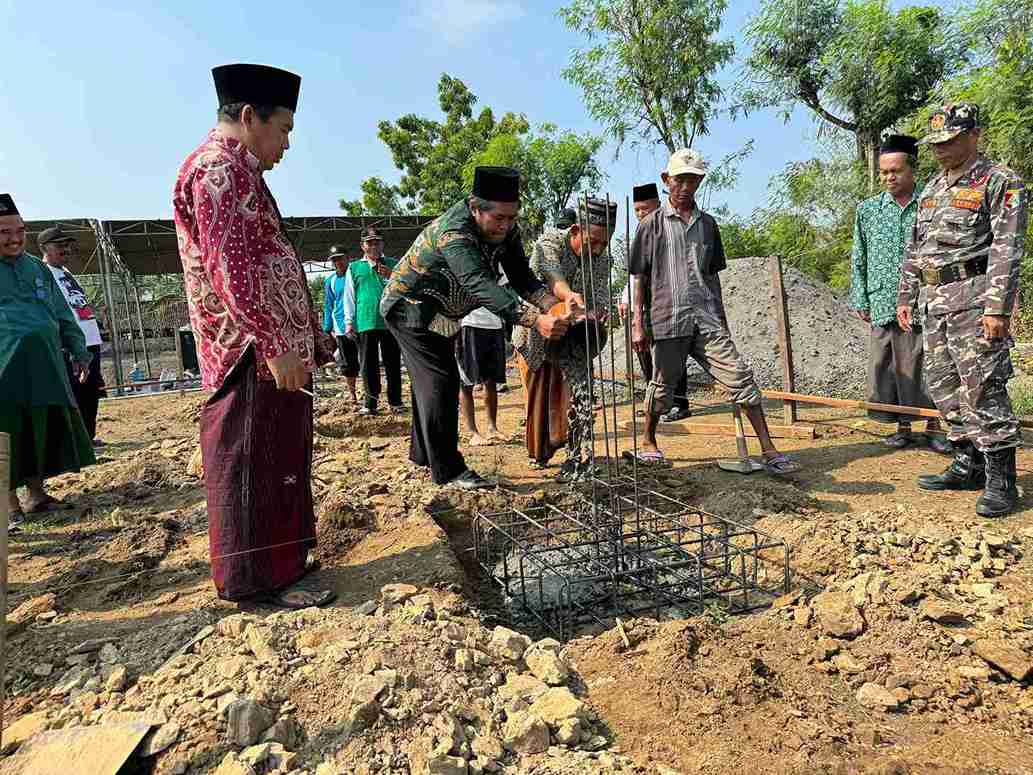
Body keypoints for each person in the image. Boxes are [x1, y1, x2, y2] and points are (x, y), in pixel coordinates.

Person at [173, 63, 336, 608]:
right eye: (284, 129)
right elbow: (230, 271)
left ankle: (283, 567)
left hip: (271, 350)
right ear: (249, 117)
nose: (287, 144)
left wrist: (308, 335)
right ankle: (255, 583)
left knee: (278, 459)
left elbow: (273, 261)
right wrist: (274, 343)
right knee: (251, 462)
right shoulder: (217, 172)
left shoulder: (243, 175)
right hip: (249, 352)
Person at [380, 165, 572, 490]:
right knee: (440, 380)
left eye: (512, 217)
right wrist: (535, 320)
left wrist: (553, 304)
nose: (506, 226)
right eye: (499, 218)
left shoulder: (506, 230)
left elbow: (521, 277)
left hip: (444, 314)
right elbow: (479, 284)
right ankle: (449, 471)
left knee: (433, 383)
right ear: (475, 207)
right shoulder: (454, 233)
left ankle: (422, 455)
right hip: (410, 307)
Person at [629, 150, 802, 474]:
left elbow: (713, 276)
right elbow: (639, 275)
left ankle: (768, 449)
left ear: (700, 182)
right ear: (666, 181)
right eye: (680, 179)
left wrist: (722, 318)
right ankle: (649, 441)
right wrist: (638, 324)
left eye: (692, 179)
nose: (685, 186)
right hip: (668, 319)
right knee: (662, 387)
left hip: (706, 318)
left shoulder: (708, 225)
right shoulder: (650, 226)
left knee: (740, 377)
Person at [899, 103, 1028, 517]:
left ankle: (1001, 481)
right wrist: (906, 296)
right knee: (943, 386)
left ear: (974, 135)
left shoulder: (1000, 182)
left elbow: (1008, 251)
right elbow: (915, 249)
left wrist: (998, 309)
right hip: (934, 302)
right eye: (936, 143)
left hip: (975, 302)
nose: (941, 149)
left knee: (983, 386)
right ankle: (966, 462)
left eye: (950, 141)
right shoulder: (933, 188)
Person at [849, 135, 949, 454]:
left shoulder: (932, 203)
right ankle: (903, 427)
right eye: (884, 172)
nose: (890, 177)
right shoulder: (868, 210)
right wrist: (861, 297)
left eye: (896, 171)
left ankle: (934, 426)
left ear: (912, 170)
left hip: (925, 298)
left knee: (929, 360)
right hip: (882, 298)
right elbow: (859, 255)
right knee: (890, 363)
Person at [0, 195, 95, 529]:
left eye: (20, 231)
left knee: (39, 428)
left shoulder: (37, 267)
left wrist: (79, 350)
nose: (14, 238)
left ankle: (37, 495)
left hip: (45, 368)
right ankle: (8, 506)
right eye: (4, 232)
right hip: (4, 372)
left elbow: (61, 313)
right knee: (7, 434)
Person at [515, 197, 615, 481]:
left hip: (575, 334)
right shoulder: (550, 242)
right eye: (592, 242)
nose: (597, 250)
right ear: (574, 230)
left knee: (578, 393)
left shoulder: (602, 259)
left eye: (603, 244)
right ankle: (539, 453)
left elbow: (599, 292)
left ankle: (576, 452)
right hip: (538, 327)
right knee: (541, 390)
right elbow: (550, 274)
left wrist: (597, 313)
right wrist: (568, 296)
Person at [618, 183, 691, 421]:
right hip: (643, 307)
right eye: (637, 210)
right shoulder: (640, 234)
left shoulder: (666, 230)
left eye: (645, 208)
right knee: (645, 355)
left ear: (658, 206)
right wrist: (625, 299)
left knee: (670, 356)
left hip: (665, 305)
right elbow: (634, 276)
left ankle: (679, 403)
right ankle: (655, 404)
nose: (641, 214)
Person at [39, 226, 107, 447]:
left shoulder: (66, 272)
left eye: (67, 245)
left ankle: (87, 436)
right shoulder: (42, 272)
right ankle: (73, 441)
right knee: (74, 392)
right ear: (44, 248)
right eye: (59, 245)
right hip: (70, 344)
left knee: (90, 392)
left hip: (91, 339)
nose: (65, 249)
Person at [344, 227, 403, 415]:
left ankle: (395, 401)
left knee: (393, 362)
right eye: (369, 242)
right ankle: (371, 404)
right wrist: (349, 321)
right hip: (366, 320)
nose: (374, 245)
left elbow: (406, 288)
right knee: (367, 364)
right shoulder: (354, 268)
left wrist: (391, 276)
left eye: (377, 241)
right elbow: (349, 296)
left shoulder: (395, 264)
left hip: (391, 321)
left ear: (382, 244)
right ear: (363, 246)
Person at [457, 306, 507, 445]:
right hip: (469, 324)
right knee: (466, 382)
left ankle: (492, 428)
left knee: (491, 380)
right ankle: (473, 432)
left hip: (495, 325)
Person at [322, 245, 359, 403]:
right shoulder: (331, 281)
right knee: (348, 362)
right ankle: (353, 394)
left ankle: (371, 394)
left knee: (366, 361)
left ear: (348, 258)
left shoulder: (357, 274)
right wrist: (327, 327)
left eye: (340, 258)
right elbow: (328, 304)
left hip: (361, 323)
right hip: (341, 327)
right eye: (334, 259)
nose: (338, 262)